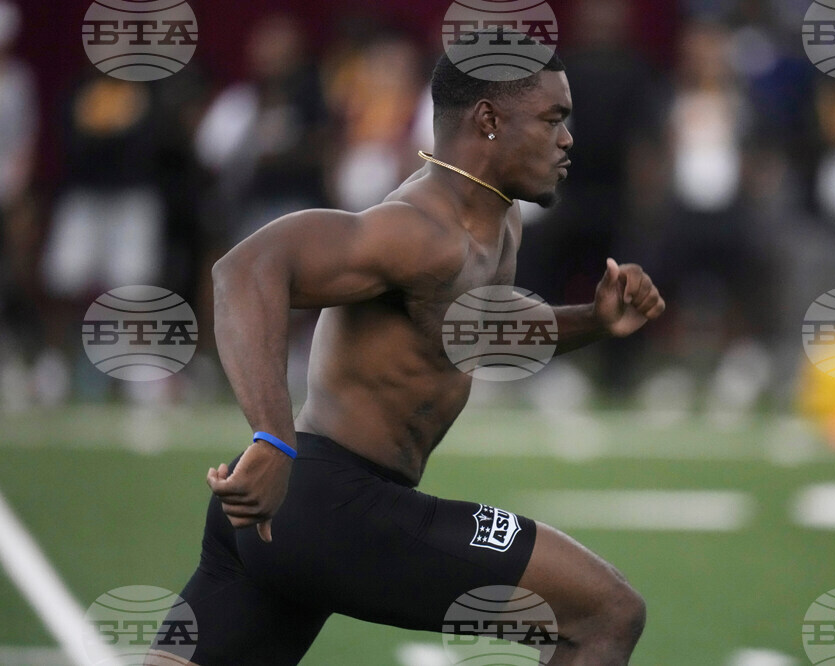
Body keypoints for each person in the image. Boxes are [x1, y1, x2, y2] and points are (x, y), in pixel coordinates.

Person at [155, 51, 664, 666]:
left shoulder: (498, 218)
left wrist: (595, 319)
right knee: (607, 613)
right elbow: (245, 269)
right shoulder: (422, 229)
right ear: (488, 120)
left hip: (298, 510)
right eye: (553, 119)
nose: (568, 138)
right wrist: (272, 438)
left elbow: (473, 330)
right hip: (330, 500)